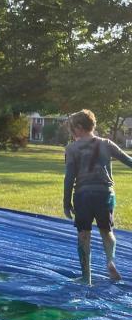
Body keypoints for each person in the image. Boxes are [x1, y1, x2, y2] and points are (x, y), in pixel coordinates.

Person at [63, 109, 132, 285]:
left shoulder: (72, 149)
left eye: (72, 129)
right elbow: (129, 161)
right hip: (106, 194)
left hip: (83, 195)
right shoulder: (106, 143)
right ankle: (110, 262)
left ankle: (86, 277)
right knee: (107, 231)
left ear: (78, 127)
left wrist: (66, 202)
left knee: (83, 235)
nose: (72, 133)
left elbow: (69, 177)